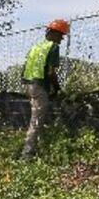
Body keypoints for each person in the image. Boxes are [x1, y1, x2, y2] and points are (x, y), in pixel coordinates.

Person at [21, 19, 69, 158]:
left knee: (38, 117)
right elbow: (50, 72)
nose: (61, 39)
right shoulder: (53, 47)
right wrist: (57, 88)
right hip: (39, 85)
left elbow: (25, 68)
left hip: (28, 84)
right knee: (36, 121)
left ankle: (40, 147)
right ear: (53, 33)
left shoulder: (35, 47)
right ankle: (27, 154)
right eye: (61, 35)